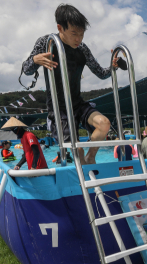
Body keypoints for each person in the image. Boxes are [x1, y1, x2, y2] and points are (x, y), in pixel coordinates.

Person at [21, 4, 123, 165]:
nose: (78, 39)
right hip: (58, 107)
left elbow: (101, 73)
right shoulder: (47, 42)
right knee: (77, 150)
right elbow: (26, 70)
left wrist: (113, 67)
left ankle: (91, 157)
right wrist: (34, 60)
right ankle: (86, 183)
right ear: (60, 28)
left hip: (78, 103)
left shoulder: (82, 48)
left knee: (104, 124)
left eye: (82, 34)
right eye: (74, 33)